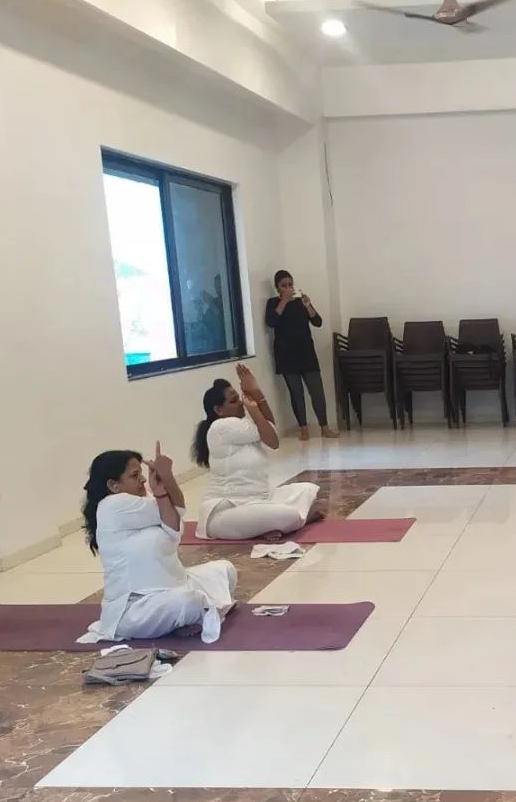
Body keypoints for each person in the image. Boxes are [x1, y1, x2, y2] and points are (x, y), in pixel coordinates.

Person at [79, 447, 237, 644]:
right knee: (188, 602)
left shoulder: (142, 502)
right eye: (135, 475)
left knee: (224, 570)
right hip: (137, 607)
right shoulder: (112, 506)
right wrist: (166, 482)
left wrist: (163, 486)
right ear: (113, 485)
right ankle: (189, 616)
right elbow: (176, 510)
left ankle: (187, 618)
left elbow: (173, 524)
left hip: (176, 585)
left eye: (141, 474)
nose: (143, 480)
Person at [192, 363, 321, 540]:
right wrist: (254, 405)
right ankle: (287, 522)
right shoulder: (221, 426)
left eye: (239, 397)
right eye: (233, 401)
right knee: (287, 514)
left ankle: (269, 526)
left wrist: (257, 393)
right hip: (225, 512)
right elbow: (272, 436)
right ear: (218, 410)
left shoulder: (243, 426)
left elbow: (271, 435)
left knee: (307, 489)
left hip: (257, 501)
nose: (240, 404)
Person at [265, 269, 337, 441]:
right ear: (277, 288)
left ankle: (324, 427)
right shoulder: (273, 302)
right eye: (284, 286)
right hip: (286, 355)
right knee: (296, 393)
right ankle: (303, 429)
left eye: (290, 285)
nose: (288, 288)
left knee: (317, 391)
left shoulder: (300, 303)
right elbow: (271, 322)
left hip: (306, 353)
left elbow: (317, 322)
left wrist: (308, 305)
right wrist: (283, 301)